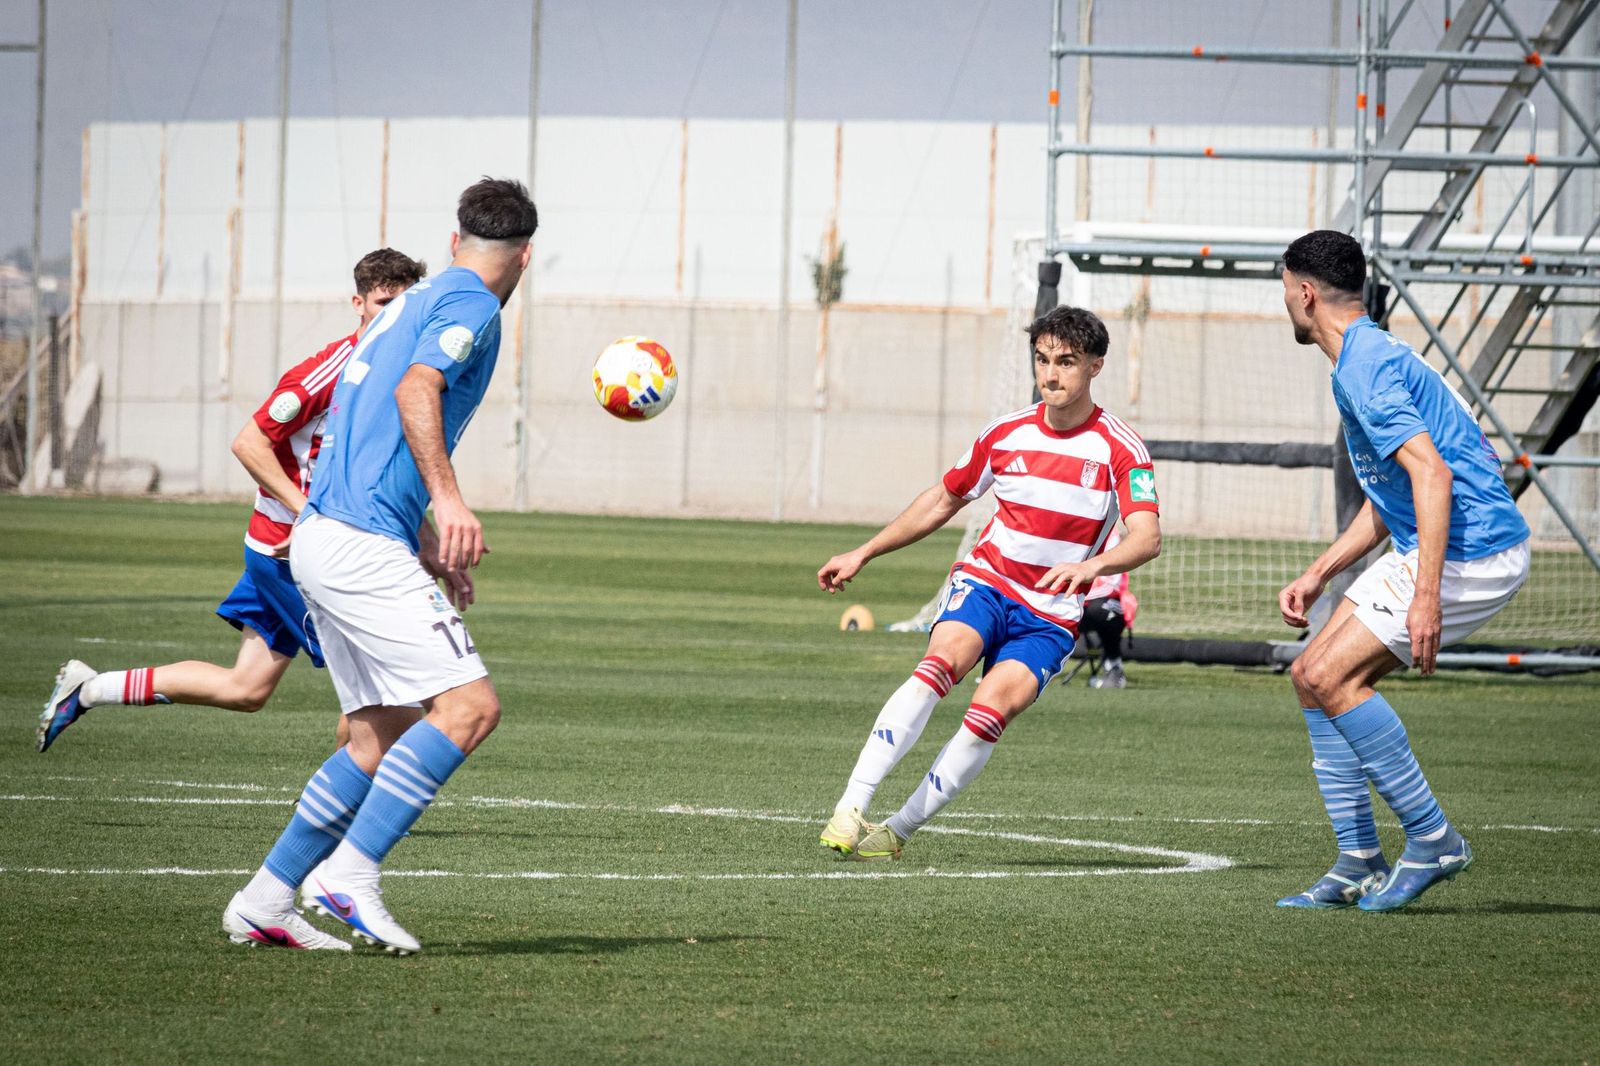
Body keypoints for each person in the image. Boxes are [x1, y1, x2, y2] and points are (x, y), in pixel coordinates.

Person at [220, 177, 537, 953]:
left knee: (377, 737)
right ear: (525, 256)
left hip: (324, 536)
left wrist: (427, 545)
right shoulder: (472, 307)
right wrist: (453, 504)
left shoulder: (401, 306)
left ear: (455, 235)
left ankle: (264, 899)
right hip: (359, 542)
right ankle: (349, 874)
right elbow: (416, 390)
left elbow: (367, 437)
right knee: (469, 710)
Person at [36, 249, 427, 754]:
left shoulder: (397, 369)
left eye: (405, 304)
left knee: (245, 688)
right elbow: (249, 442)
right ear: (357, 303)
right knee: (383, 696)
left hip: (295, 548)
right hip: (294, 554)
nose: (394, 314)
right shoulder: (331, 369)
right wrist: (309, 514)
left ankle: (88, 689)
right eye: (383, 302)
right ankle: (340, 812)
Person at [816, 305, 1162, 861]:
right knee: (939, 665)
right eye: (1042, 360)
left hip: (1051, 615)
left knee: (990, 713)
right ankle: (850, 806)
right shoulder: (1004, 434)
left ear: (1096, 366)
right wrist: (865, 551)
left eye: (1066, 362)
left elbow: (1146, 538)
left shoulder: (1121, 448)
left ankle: (897, 831)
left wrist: (1089, 567)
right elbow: (941, 500)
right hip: (988, 582)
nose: (1050, 374)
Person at [1275, 230, 1530, 912]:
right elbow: (1397, 494)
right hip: (1436, 542)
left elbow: (1433, 475)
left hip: (1471, 551)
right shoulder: (1367, 353)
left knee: (1333, 676)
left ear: (1304, 292)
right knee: (1308, 677)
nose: (1286, 306)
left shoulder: (1363, 367)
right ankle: (1358, 858)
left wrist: (1426, 597)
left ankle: (1433, 838)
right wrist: (1321, 570)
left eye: (1285, 292)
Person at [1079, 526, 1136, 689]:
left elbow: (1111, 584)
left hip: (1103, 602)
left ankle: (1114, 667)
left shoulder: (1111, 535)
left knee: (1102, 609)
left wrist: (1079, 595)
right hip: (1073, 602)